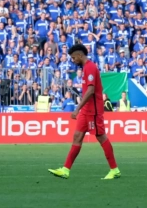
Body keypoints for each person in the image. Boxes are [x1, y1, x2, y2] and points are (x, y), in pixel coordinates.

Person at [48, 44, 120, 180]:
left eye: (74, 57)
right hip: (86, 110)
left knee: (101, 137)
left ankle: (114, 169)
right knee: (77, 137)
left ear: (80, 55)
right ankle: (65, 170)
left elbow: (91, 90)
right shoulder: (86, 68)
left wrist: (77, 108)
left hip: (93, 110)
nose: (73, 60)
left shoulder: (90, 67)